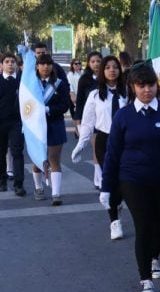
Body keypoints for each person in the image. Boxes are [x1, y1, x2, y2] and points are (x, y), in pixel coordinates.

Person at [102, 63, 160, 292]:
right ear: (132, 87)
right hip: (132, 179)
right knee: (143, 225)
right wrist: (106, 187)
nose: (147, 90)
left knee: (157, 223)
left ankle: (154, 257)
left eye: (150, 85)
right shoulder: (123, 116)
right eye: (141, 86)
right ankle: (146, 280)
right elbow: (112, 153)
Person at [72, 56, 128, 239]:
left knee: (124, 180)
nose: (112, 70)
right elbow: (88, 123)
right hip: (105, 140)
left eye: (115, 67)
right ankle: (114, 222)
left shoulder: (128, 92)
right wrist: (81, 144)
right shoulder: (95, 95)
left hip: (126, 141)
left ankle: (117, 201)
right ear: (102, 71)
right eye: (108, 67)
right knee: (110, 179)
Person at [30, 54, 69, 205]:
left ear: (52, 66)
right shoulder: (31, 84)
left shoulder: (59, 83)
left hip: (55, 123)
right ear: (37, 66)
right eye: (42, 64)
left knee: (54, 158)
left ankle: (56, 193)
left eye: (48, 64)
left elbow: (64, 105)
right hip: (35, 126)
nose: (45, 67)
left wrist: (47, 109)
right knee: (38, 158)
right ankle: (39, 187)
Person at [75, 51, 103, 189]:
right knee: (97, 148)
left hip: (107, 118)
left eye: (98, 61)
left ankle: (100, 177)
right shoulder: (85, 79)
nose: (96, 64)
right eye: (93, 61)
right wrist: (77, 121)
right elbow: (79, 102)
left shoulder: (107, 77)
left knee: (108, 149)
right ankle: (99, 179)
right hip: (91, 119)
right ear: (88, 63)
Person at [0, 53, 25, 196]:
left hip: (17, 122)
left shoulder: (22, 82)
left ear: (16, 64)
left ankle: (18, 184)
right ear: (2, 65)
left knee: (17, 152)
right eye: (7, 62)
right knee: (0, 153)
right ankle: (2, 181)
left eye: (13, 62)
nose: (10, 64)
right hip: (1, 122)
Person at [67, 58, 83, 122]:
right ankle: (77, 131)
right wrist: (73, 95)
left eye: (79, 63)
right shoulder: (70, 74)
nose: (77, 65)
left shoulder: (83, 73)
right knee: (75, 116)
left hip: (82, 97)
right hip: (73, 96)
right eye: (75, 64)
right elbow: (70, 85)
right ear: (72, 65)